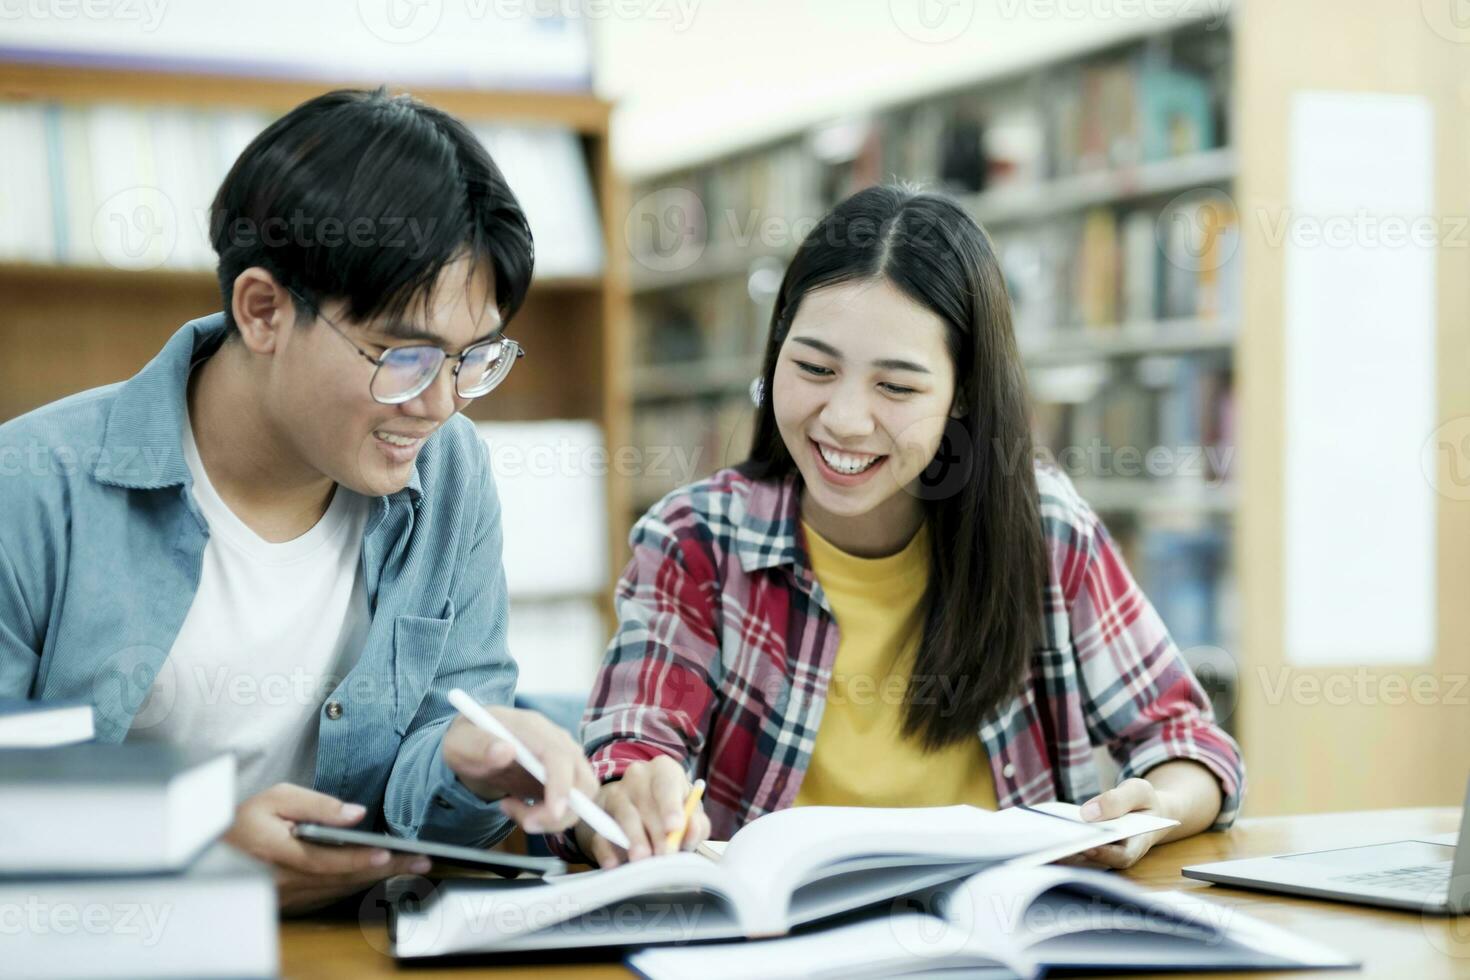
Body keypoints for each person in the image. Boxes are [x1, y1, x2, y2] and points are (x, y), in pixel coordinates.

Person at [0, 89, 597, 912]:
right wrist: (191, 847)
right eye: (405, 355)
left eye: (473, 357)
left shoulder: (450, 472)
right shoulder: (29, 490)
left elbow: (446, 815)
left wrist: (467, 760)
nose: (441, 402)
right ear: (263, 310)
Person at [567, 184, 1244, 870]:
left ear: (963, 395)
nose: (844, 419)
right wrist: (630, 791)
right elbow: (630, 745)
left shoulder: (1046, 533)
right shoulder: (697, 540)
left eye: (896, 386)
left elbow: (1192, 746)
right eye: (813, 367)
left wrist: (1151, 810)